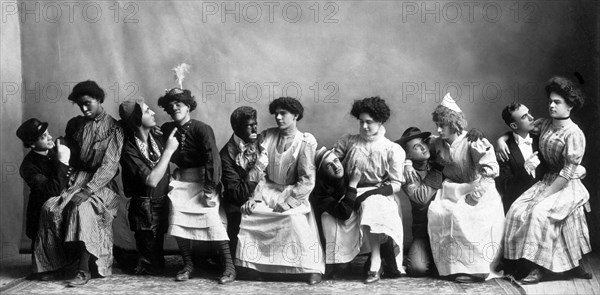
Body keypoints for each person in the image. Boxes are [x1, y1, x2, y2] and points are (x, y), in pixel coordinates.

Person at [502, 76, 592, 284]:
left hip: (566, 184)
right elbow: (518, 130)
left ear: (570, 105)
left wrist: (543, 195)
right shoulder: (544, 124)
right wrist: (501, 140)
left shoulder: (574, 134)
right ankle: (519, 264)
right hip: (547, 179)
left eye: (557, 102)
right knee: (516, 210)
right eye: (550, 101)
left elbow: (567, 173)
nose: (551, 105)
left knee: (538, 212)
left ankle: (538, 268)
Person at [34, 80, 124, 286]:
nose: (84, 109)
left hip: (101, 184)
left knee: (81, 208)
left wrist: (89, 190)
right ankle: (54, 265)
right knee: (50, 208)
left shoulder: (114, 128)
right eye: (80, 105)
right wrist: (61, 148)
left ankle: (84, 270)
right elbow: (70, 154)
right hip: (74, 179)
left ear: (99, 100)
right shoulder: (75, 124)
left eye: (88, 103)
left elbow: (110, 166)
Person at [237, 97, 324, 285]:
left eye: (283, 113)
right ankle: (258, 267)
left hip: (292, 192)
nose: (278, 117)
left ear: (296, 116)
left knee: (293, 218)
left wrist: (289, 201)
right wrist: (255, 196)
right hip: (267, 189)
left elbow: (307, 179)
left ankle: (310, 268)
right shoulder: (266, 136)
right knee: (252, 213)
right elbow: (259, 171)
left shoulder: (305, 141)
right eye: (276, 113)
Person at [158, 88, 235, 284]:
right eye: (171, 105)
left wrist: (209, 188)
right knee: (176, 217)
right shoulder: (167, 129)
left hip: (203, 182)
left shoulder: (202, 128)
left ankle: (229, 266)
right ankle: (188, 264)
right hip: (181, 182)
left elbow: (213, 158)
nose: (175, 107)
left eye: (179, 104)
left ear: (188, 106)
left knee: (212, 220)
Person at [426, 93, 504, 283]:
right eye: (437, 124)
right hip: (451, 189)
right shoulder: (436, 142)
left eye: (442, 125)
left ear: (454, 124)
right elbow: (413, 148)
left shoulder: (473, 141)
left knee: (464, 216)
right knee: (440, 213)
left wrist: (476, 196)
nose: (438, 129)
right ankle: (449, 266)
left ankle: (474, 268)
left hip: (477, 189)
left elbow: (491, 171)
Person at [326, 96, 406, 284]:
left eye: (369, 122)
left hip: (379, 194)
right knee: (328, 215)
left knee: (373, 205)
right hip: (350, 191)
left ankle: (376, 260)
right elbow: (330, 163)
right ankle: (341, 261)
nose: (364, 127)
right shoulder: (348, 141)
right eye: (361, 122)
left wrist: (372, 193)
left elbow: (396, 184)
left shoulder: (391, 148)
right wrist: (331, 165)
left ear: (380, 122)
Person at [119, 98, 179, 275]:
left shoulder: (157, 137)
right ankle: (124, 257)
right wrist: (168, 151)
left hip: (162, 202)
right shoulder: (129, 149)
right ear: (137, 119)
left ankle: (137, 259)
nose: (153, 113)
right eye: (147, 111)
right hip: (145, 209)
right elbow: (152, 180)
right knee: (153, 267)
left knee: (157, 257)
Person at [17, 119, 73, 270]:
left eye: (48, 134)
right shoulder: (28, 167)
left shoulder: (55, 149)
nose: (49, 138)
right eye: (43, 137)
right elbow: (52, 190)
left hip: (62, 202)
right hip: (41, 210)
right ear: (32, 144)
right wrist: (63, 162)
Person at [219, 106, 267, 258]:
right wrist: (258, 167)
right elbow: (237, 193)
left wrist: (256, 197)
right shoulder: (226, 155)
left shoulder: (262, 141)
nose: (254, 129)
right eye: (249, 126)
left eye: (255, 124)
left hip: (264, 194)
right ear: (236, 128)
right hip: (238, 203)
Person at [396, 127, 442, 277]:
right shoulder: (407, 173)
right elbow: (420, 198)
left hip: (446, 228)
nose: (423, 148)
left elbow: (446, 139)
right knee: (417, 269)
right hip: (424, 231)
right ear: (408, 154)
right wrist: (438, 170)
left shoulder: (437, 157)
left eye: (423, 143)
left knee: (449, 267)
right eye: (416, 147)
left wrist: (504, 138)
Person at [310, 147, 354, 278]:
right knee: (327, 218)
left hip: (350, 224)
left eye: (336, 160)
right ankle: (337, 262)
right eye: (329, 165)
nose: (336, 167)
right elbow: (344, 213)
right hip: (334, 229)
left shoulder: (347, 173)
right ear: (322, 171)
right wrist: (353, 185)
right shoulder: (321, 191)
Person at [495, 103, 539, 214]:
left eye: (529, 112)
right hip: (520, 202)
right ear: (514, 126)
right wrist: (526, 170)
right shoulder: (504, 149)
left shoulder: (541, 139)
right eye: (524, 116)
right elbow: (506, 188)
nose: (531, 117)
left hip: (543, 196)